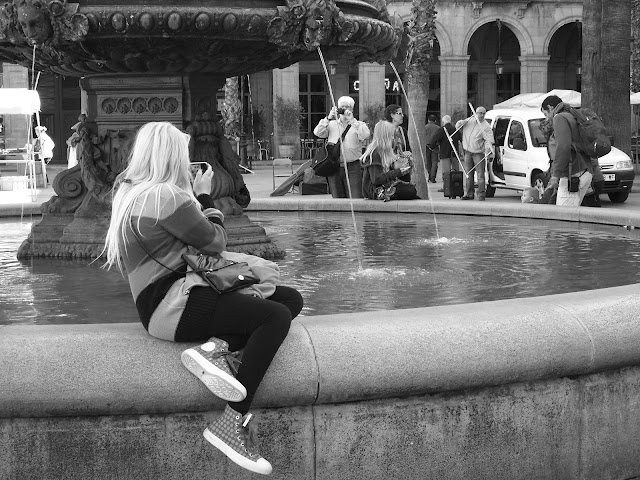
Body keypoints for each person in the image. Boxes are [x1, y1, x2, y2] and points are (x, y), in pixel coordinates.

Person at [102, 122, 303, 476]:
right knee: (274, 317)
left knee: (288, 299)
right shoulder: (169, 197)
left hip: (159, 304)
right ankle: (231, 421)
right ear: (171, 156)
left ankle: (217, 348)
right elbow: (215, 242)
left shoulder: (128, 191)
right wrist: (205, 197)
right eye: (184, 153)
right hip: (175, 305)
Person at [313, 96, 370, 198]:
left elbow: (365, 134)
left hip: (353, 167)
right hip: (334, 166)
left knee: (356, 197)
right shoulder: (331, 124)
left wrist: (352, 120)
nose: (344, 109)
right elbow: (317, 132)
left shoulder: (359, 124)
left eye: (347, 106)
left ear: (352, 109)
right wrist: (328, 117)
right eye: (342, 107)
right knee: (337, 199)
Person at [541, 95, 592, 206]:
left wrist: (555, 174)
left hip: (572, 174)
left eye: (546, 114)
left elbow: (563, 146)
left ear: (550, 107)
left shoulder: (559, 118)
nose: (547, 118)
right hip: (585, 171)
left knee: (564, 217)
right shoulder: (572, 114)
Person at [360, 120, 417, 200]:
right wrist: (398, 171)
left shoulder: (384, 152)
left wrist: (404, 166)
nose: (393, 138)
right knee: (410, 191)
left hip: (386, 186)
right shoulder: (374, 154)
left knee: (411, 190)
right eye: (391, 135)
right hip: (376, 190)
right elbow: (377, 179)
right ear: (385, 137)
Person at [460, 106, 494, 201]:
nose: (482, 115)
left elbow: (489, 140)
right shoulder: (469, 121)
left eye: (484, 113)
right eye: (480, 113)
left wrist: (488, 149)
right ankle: (469, 194)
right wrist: (459, 123)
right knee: (468, 174)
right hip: (468, 151)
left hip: (478, 153)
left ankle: (481, 194)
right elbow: (458, 127)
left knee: (480, 175)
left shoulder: (486, 126)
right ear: (476, 113)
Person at [427, 115, 462, 192]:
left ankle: (446, 187)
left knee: (446, 172)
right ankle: (456, 187)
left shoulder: (442, 129)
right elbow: (461, 138)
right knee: (456, 171)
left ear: (443, 122)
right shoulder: (455, 129)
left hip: (445, 153)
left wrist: (431, 147)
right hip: (454, 153)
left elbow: (434, 138)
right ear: (450, 121)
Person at [424, 114, 440, 183]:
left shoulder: (424, 127)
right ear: (435, 120)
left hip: (426, 146)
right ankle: (432, 177)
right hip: (435, 146)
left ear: (428, 120)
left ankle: (429, 175)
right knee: (434, 162)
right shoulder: (438, 128)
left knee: (428, 162)